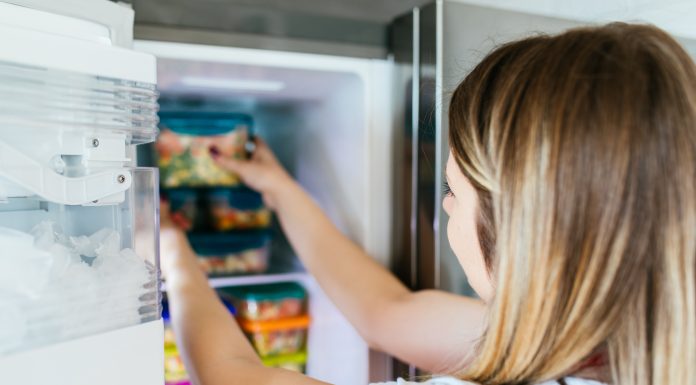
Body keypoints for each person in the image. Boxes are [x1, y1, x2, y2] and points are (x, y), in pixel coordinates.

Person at [159, 23, 696, 385]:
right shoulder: (620, 345)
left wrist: (169, 246)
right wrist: (279, 188)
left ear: (524, 234)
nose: (444, 211)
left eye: (452, 194)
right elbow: (387, 313)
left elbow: (234, 373)